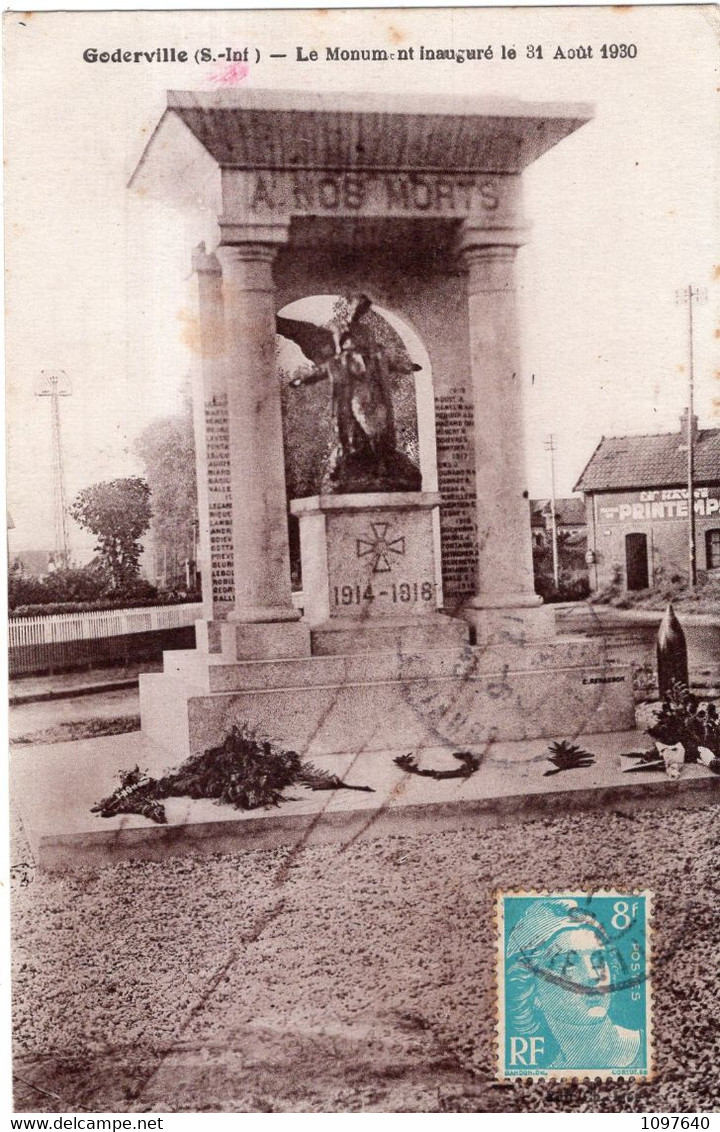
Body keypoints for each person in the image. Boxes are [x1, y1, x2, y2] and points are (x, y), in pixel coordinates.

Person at [506, 898, 643, 1070]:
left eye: (598, 958)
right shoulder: (546, 1076)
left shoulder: (651, 1049)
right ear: (531, 991)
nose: (593, 975)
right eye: (568, 963)